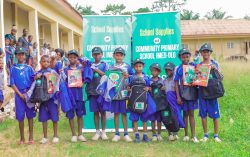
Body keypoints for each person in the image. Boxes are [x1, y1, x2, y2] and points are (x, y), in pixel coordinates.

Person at [9, 47, 36, 144]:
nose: (21, 56)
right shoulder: (13, 68)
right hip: (19, 95)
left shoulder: (29, 68)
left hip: (29, 95)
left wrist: (29, 93)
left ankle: (31, 137)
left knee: (30, 116)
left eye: (22, 54)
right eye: (19, 54)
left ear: (25, 56)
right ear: (16, 56)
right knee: (20, 116)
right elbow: (12, 83)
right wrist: (20, 95)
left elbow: (34, 80)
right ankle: (22, 138)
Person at [198, 43, 224, 143]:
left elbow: (222, 78)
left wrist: (215, 69)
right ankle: (205, 135)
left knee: (215, 115)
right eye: (204, 51)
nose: (206, 53)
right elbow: (196, 80)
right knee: (203, 114)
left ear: (210, 53)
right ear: (201, 53)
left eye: (207, 51)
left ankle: (216, 136)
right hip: (202, 93)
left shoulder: (215, 63)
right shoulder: (199, 65)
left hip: (213, 92)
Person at [174, 48, 199, 143]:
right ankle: (186, 135)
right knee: (185, 114)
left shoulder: (194, 66)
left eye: (187, 56)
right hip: (183, 93)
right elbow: (176, 83)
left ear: (190, 56)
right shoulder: (179, 68)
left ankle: (194, 136)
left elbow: (199, 76)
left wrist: (196, 79)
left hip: (192, 93)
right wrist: (178, 96)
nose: (185, 58)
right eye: (183, 57)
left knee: (191, 114)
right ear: (180, 57)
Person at [62, 49, 87, 143]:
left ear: (77, 58)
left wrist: (82, 83)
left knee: (80, 115)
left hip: (79, 96)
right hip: (69, 96)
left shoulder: (81, 69)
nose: (72, 59)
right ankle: (73, 134)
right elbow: (63, 82)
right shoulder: (65, 70)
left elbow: (84, 79)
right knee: (71, 116)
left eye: (75, 57)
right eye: (70, 57)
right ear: (68, 58)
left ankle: (80, 134)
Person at [109, 47, 133, 142]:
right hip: (115, 93)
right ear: (114, 56)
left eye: (121, 55)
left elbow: (133, 76)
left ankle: (126, 133)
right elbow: (109, 79)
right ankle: (117, 133)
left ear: (123, 56)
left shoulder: (127, 66)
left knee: (123, 114)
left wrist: (129, 77)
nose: (119, 57)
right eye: (117, 55)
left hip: (124, 94)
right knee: (116, 114)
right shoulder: (111, 67)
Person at [36, 55, 60, 144]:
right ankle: (45, 137)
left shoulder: (52, 72)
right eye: (44, 61)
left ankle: (55, 135)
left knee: (54, 117)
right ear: (40, 62)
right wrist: (36, 78)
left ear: (50, 63)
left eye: (48, 61)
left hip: (52, 99)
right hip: (42, 100)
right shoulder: (38, 73)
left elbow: (56, 85)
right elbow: (35, 85)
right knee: (43, 118)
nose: (46, 63)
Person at [86, 47, 109, 140]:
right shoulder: (89, 65)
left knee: (103, 112)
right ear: (92, 55)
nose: (96, 55)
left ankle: (104, 132)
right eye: (95, 54)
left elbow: (107, 75)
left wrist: (95, 69)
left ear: (102, 54)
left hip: (102, 92)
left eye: (98, 54)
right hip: (92, 91)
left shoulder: (105, 64)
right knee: (95, 112)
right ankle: (97, 132)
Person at [128, 59, 151, 143]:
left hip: (143, 101)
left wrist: (148, 88)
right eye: (136, 66)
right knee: (134, 119)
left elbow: (150, 87)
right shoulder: (131, 77)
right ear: (134, 67)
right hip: (133, 100)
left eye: (140, 66)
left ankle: (145, 135)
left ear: (143, 66)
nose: (138, 68)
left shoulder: (146, 77)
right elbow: (128, 87)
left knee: (144, 119)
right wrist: (128, 89)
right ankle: (137, 135)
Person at [164, 62, 185, 141]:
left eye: (170, 70)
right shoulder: (165, 80)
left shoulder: (175, 79)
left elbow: (177, 90)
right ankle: (170, 134)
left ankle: (175, 134)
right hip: (167, 102)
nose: (168, 72)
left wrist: (178, 98)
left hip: (175, 101)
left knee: (176, 117)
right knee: (169, 118)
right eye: (166, 70)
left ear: (173, 70)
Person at [149, 63, 164, 141]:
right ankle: (154, 134)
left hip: (159, 103)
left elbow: (164, 90)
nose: (154, 72)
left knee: (159, 119)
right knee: (152, 119)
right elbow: (147, 89)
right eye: (152, 71)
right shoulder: (149, 81)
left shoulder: (161, 80)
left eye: (155, 71)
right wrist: (148, 89)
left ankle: (159, 134)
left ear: (159, 72)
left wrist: (163, 88)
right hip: (152, 102)